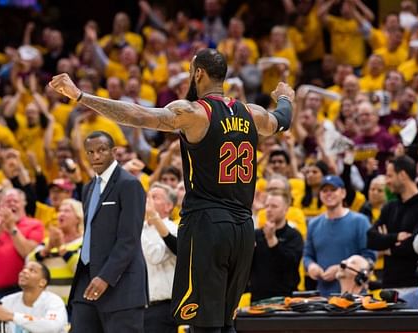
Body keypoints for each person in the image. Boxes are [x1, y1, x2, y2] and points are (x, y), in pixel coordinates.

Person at [49, 47, 294, 332]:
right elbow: (282, 120)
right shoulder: (252, 113)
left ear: (198, 72)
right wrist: (286, 97)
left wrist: (81, 96)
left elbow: (137, 115)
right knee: (226, 322)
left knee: (202, 324)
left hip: (207, 225)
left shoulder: (193, 112)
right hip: (242, 227)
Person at [68, 131, 147, 332]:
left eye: (101, 150)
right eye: (91, 152)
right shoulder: (88, 188)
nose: (96, 156)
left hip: (120, 284)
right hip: (86, 279)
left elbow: (129, 239)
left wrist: (106, 276)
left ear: (114, 151)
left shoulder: (129, 184)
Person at [367, 156, 418, 290]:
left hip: (415, 285)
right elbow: (371, 238)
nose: (387, 181)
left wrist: (387, 247)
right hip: (389, 285)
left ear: (403, 175)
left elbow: (415, 247)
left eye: (390, 176)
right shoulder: (390, 206)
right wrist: (395, 237)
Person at [303, 175, 375, 296]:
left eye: (333, 190)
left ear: (343, 193)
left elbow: (369, 257)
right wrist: (311, 266)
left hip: (354, 296)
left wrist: (341, 269)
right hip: (324, 296)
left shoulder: (360, 221)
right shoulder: (313, 224)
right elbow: (307, 255)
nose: (328, 194)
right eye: (324, 191)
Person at [0, 188, 45, 300]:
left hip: (19, 291)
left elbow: (27, 254)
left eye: (15, 201)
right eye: (7, 202)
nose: (11, 204)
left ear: (24, 203)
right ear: (1, 205)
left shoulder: (35, 224)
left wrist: (12, 228)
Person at [0, 261, 68, 333]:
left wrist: (12, 316)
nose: (24, 271)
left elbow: (52, 327)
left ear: (42, 282)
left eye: (32, 270)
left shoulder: (54, 302)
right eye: (24, 269)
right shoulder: (7, 301)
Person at [249, 189, 303, 302]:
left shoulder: (294, 236)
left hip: (286, 299)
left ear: (286, 209)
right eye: (267, 206)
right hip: (258, 299)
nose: (269, 210)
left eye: (274, 206)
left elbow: (289, 264)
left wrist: (272, 240)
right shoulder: (256, 235)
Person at [142, 182, 178, 333]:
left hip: (163, 307)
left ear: (168, 206)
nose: (148, 200)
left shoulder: (173, 229)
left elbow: (155, 256)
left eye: (154, 197)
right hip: (139, 307)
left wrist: (135, 228)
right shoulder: (142, 229)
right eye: (148, 196)